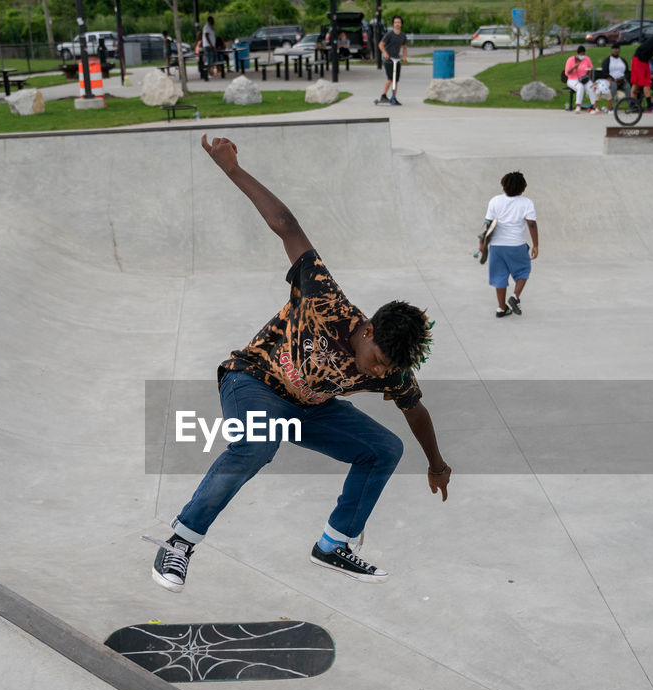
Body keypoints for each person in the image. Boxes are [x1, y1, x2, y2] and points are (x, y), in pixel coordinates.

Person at [149, 134, 451, 592]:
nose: (377, 372)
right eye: (376, 360)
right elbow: (286, 225)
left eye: (386, 368)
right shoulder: (325, 299)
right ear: (367, 329)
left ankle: (333, 544)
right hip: (253, 380)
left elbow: (416, 410)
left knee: (385, 449)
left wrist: (437, 463)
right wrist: (232, 170)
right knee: (257, 443)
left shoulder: (392, 364)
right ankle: (180, 542)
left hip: (311, 407)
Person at [481, 171, 538, 318]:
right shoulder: (526, 202)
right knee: (523, 271)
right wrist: (536, 245)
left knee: (499, 276)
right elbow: (531, 224)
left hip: (497, 247)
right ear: (523, 187)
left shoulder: (495, 201)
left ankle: (501, 308)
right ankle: (514, 296)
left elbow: (487, 224)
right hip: (517, 246)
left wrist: (482, 243)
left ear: (503, 185)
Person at [379, 15, 407, 105]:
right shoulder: (389, 34)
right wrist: (385, 53)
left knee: (396, 80)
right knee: (390, 78)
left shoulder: (403, 36)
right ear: (393, 24)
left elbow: (404, 47)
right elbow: (381, 45)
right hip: (388, 60)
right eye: (395, 22)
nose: (397, 24)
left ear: (401, 24)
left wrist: (404, 57)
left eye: (398, 22)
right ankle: (383, 96)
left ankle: (393, 98)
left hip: (397, 60)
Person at [563, 45, 597, 114]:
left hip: (584, 79)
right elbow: (567, 73)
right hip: (572, 79)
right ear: (577, 54)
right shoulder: (570, 60)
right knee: (580, 87)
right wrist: (573, 67)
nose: (583, 56)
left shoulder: (587, 59)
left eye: (584, 54)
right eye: (581, 55)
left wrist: (589, 78)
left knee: (591, 87)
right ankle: (578, 106)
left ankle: (594, 106)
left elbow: (591, 68)